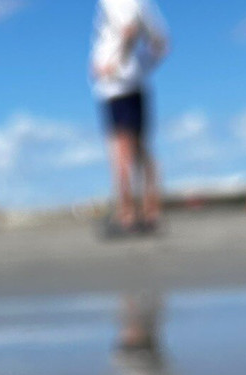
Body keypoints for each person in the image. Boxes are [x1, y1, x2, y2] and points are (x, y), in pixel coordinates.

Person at [90, 0, 169, 235]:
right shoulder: (143, 4)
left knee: (121, 151)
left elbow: (129, 30)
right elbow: (160, 41)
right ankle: (150, 211)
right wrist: (141, 65)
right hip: (134, 84)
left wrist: (116, 63)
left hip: (116, 86)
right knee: (141, 149)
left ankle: (127, 215)